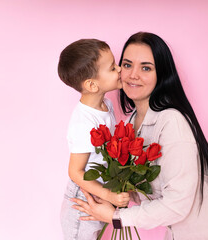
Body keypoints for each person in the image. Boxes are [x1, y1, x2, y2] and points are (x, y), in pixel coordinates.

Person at [71, 32, 208, 239]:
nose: (133, 74)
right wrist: (107, 196)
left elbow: (177, 204)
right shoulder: (131, 123)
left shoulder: (172, 122)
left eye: (146, 68)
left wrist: (117, 218)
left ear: (161, 74)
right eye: (126, 65)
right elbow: (148, 187)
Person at [57, 39, 130, 240]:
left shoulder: (106, 104)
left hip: (99, 191)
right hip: (83, 199)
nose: (119, 69)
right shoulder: (84, 122)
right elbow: (75, 171)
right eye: (112, 67)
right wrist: (109, 196)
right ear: (92, 84)